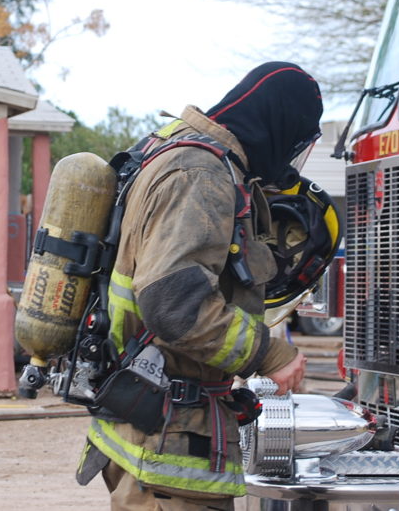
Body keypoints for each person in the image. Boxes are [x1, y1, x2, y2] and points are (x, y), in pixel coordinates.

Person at [76, 62, 323, 510]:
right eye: (294, 143)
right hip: (167, 439)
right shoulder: (202, 174)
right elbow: (172, 303)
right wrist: (268, 354)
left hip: (144, 421)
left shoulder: (173, 148)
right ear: (277, 124)